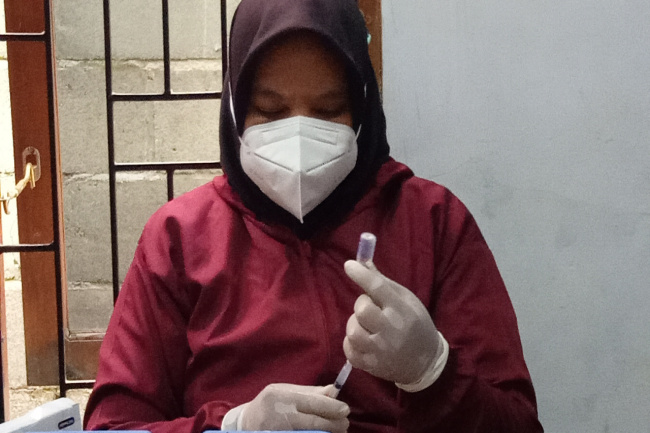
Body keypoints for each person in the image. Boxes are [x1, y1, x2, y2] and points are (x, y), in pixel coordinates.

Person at [84, 0, 544, 432]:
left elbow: (518, 424)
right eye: (270, 111)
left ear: (362, 109)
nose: (300, 135)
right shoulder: (180, 238)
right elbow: (115, 424)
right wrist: (231, 426)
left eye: (328, 110)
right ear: (235, 109)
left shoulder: (433, 223)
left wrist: (433, 372)